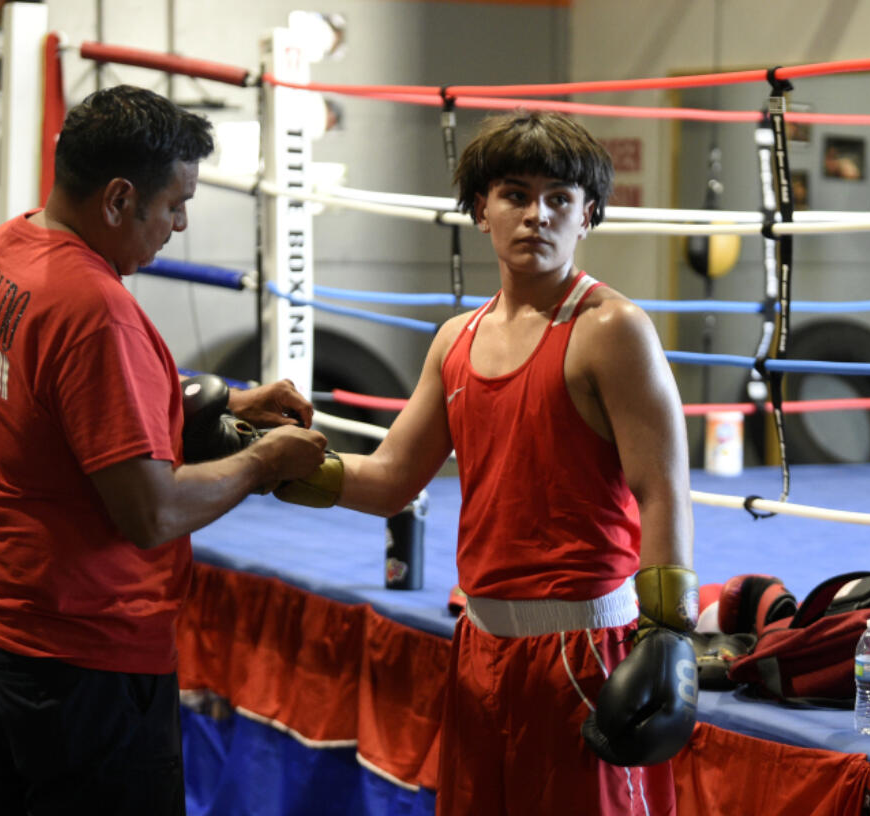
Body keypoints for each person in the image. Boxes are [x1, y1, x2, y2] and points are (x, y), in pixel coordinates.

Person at [288, 110, 697, 814]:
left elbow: (660, 487)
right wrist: (269, 464)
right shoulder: (456, 340)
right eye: (515, 194)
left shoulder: (611, 331)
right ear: (482, 210)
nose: (537, 215)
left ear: (588, 214)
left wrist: (668, 635)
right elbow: (391, 480)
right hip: (480, 650)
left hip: (582, 651)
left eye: (559, 198)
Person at [0, 84, 328, 815]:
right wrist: (262, 463)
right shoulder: (94, 311)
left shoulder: (9, 246)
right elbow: (150, 513)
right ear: (119, 199)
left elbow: (67, 394)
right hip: (79, 656)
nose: (180, 224)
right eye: (174, 204)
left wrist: (224, 401)